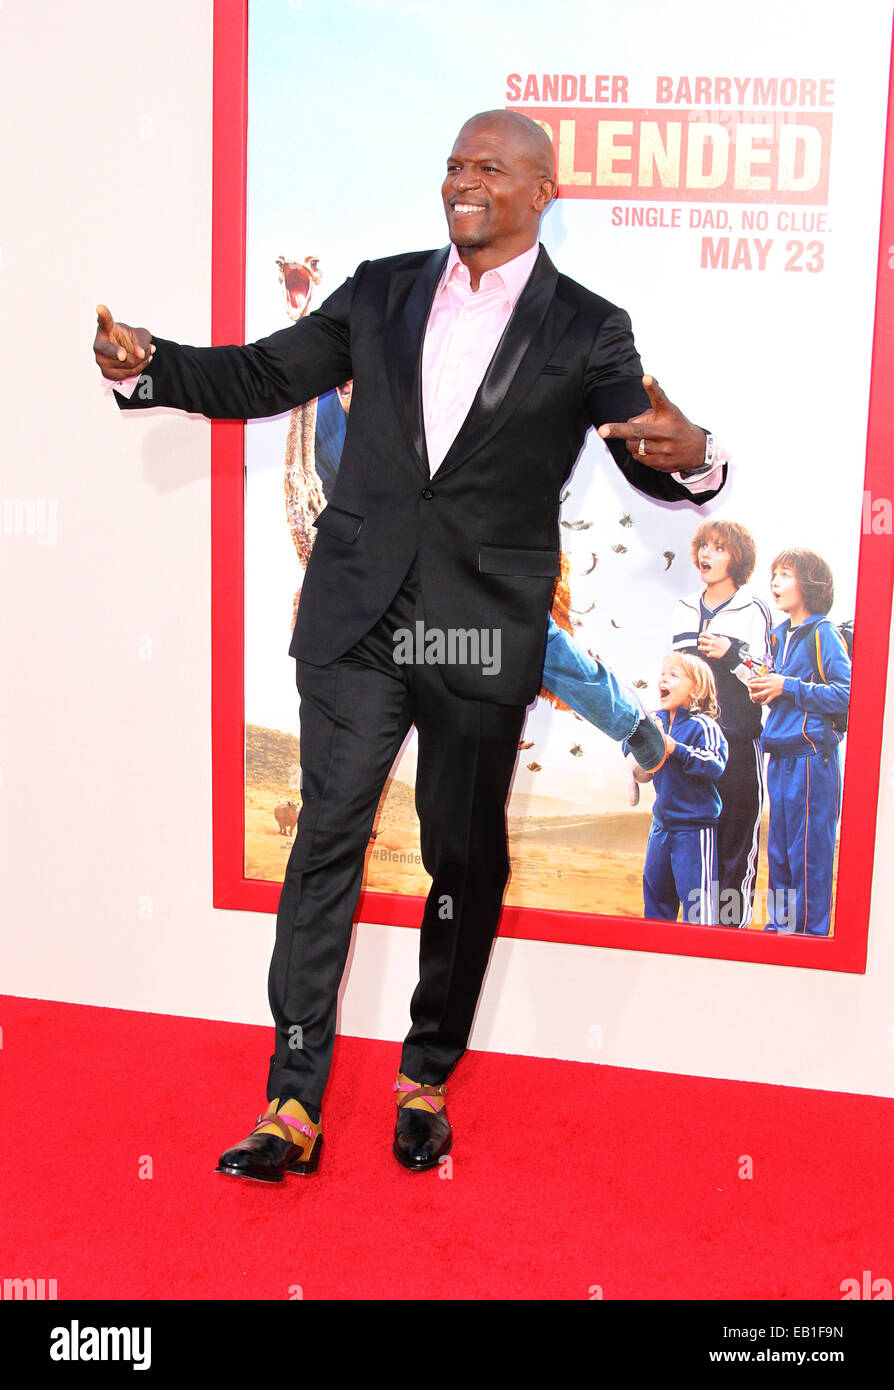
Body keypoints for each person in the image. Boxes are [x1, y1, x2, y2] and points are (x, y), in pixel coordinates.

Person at [93, 109, 728, 1183]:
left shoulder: (589, 326)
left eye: (490, 167)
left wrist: (698, 457)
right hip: (356, 617)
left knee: (461, 855)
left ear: (541, 194)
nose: (463, 182)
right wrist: (148, 364)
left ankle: (426, 1071)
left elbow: (646, 444)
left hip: (478, 624)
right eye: (453, 166)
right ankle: (290, 1100)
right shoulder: (380, 287)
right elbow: (262, 375)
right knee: (324, 842)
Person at [670, 521, 772, 927]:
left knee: (734, 847)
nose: (707, 555)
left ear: (738, 557)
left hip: (738, 747)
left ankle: (731, 937)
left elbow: (766, 679)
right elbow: (670, 679)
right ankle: (697, 937)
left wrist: (732, 654)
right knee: (695, 848)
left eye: (719, 548)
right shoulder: (680, 609)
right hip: (691, 749)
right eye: (703, 547)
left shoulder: (754, 609)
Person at [749, 549, 850, 936]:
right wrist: (766, 689)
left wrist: (786, 686)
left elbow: (847, 693)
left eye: (785, 574)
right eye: (773, 574)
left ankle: (810, 939)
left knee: (809, 854)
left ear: (809, 583)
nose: (774, 581)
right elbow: (786, 692)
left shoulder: (824, 633)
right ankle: (779, 933)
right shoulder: (778, 636)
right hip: (780, 754)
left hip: (813, 757)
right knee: (780, 854)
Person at [623, 652, 728, 925]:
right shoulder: (655, 721)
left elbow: (715, 764)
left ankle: (699, 959)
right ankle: (656, 956)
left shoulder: (703, 726)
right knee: (656, 900)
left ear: (697, 689)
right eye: (662, 673)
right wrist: (639, 744)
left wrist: (676, 749)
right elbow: (631, 742)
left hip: (694, 830)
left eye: (674, 675)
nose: (663, 678)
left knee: (698, 906)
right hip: (661, 826)